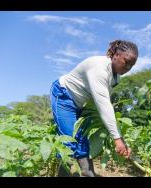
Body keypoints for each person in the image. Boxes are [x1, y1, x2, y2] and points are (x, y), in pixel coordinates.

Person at [50, 40, 138, 177]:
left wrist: (117, 136)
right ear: (116, 55)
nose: (128, 67)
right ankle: (64, 174)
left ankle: (87, 173)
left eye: (132, 65)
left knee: (82, 138)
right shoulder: (99, 68)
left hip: (81, 105)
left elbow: (103, 102)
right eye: (126, 62)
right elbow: (104, 104)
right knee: (67, 141)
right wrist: (117, 138)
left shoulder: (115, 78)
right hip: (63, 96)